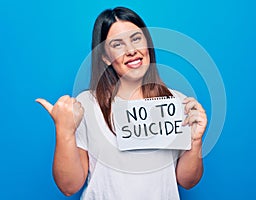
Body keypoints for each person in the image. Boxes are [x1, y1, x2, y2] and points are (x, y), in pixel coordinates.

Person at [36, 6, 207, 200]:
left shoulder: (176, 102)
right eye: (118, 44)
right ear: (105, 57)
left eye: (136, 39)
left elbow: (188, 181)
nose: (131, 50)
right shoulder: (86, 105)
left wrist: (195, 141)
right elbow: (69, 186)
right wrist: (64, 131)